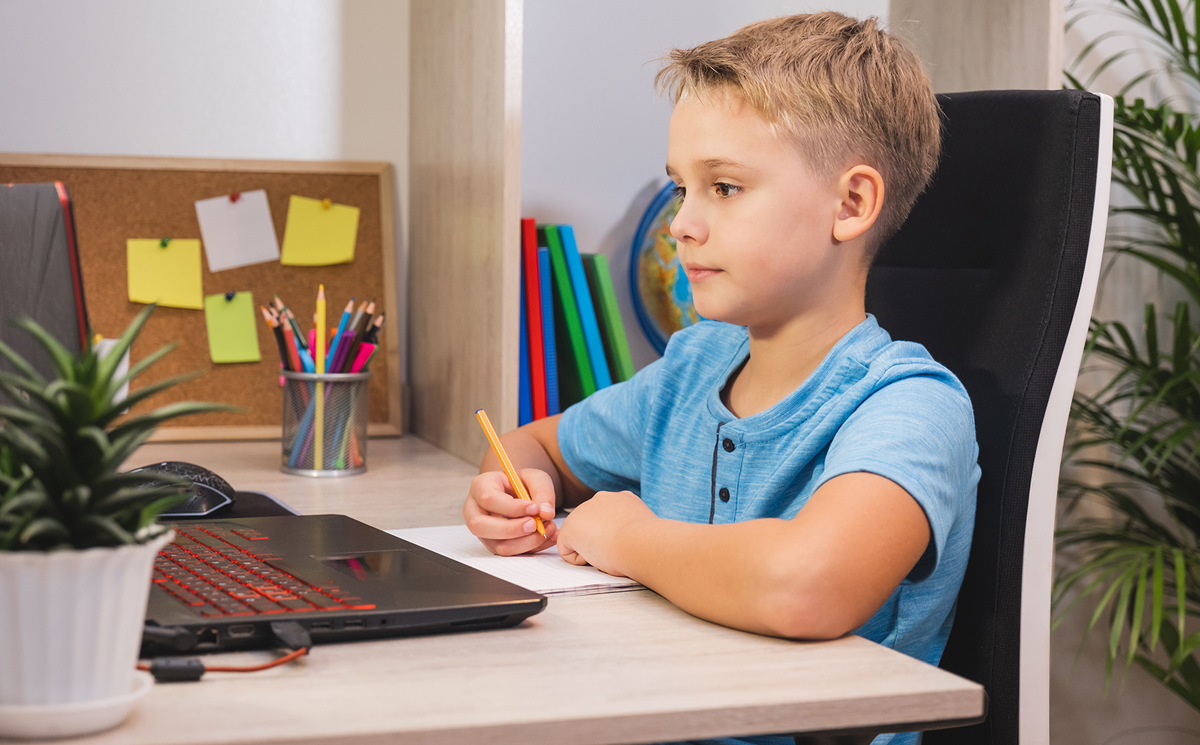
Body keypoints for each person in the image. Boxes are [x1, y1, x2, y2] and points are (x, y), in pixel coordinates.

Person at [465, 13, 979, 744]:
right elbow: (528, 445)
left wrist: (630, 537)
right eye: (681, 188)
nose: (681, 224)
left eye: (726, 188)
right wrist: (515, 495)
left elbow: (808, 585)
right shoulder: (695, 364)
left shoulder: (909, 406)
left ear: (851, 204)